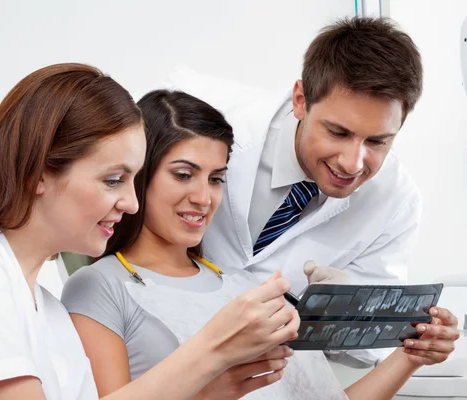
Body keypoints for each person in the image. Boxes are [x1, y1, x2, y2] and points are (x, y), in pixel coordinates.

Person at [0, 63, 300, 400]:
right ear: (39, 172)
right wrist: (212, 350)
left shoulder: (53, 315)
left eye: (133, 180)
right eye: (113, 180)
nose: (132, 203)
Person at [61, 89, 459, 400]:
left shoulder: (246, 290)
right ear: (140, 175)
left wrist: (410, 354)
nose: (204, 197)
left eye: (216, 178)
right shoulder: (101, 287)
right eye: (184, 175)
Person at [164, 16, 427, 367]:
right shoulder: (209, 114)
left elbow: (373, 350)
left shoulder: (396, 202)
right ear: (300, 100)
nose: (352, 163)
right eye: (338, 132)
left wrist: (339, 311)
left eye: (378, 141)